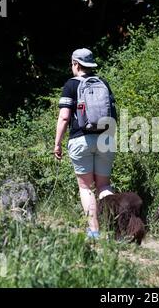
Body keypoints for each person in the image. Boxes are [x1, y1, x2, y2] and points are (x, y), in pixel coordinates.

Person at [54, 48, 116, 239]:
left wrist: (57, 143)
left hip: (80, 138)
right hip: (105, 138)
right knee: (104, 186)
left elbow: (64, 117)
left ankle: (95, 230)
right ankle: (118, 225)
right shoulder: (103, 83)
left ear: (76, 64)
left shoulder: (71, 85)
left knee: (86, 187)